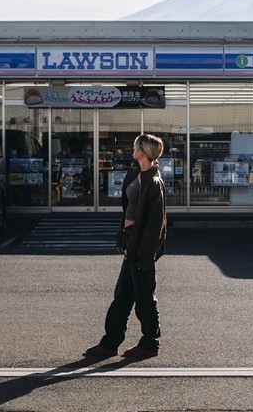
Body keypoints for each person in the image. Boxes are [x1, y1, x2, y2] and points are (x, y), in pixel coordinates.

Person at [85, 133, 167, 359]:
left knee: (144, 297)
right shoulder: (138, 174)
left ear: (143, 151)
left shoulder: (153, 181)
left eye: (135, 146)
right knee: (122, 295)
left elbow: (156, 224)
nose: (132, 148)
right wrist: (122, 236)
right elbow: (128, 209)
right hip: (131, 240)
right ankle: (110, 342)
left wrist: (145, 253)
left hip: (142, 246)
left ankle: (150, 343)